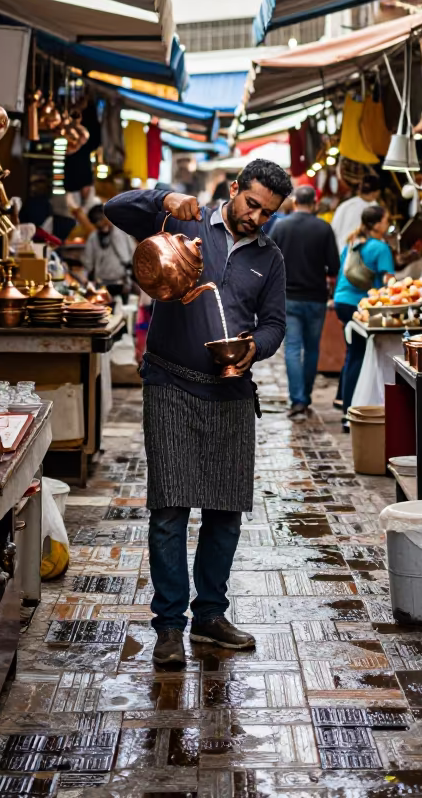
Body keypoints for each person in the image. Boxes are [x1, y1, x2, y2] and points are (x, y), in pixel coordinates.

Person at [104, 158, 292, 668]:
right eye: (251, 204)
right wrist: (163, 198)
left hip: (230, 391)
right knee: (169, 511)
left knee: (225, 512)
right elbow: (115, 208)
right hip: (168, 383)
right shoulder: (184, 222)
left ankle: (210, 615)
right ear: (234, 190)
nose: (256, 218)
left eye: (267, 213)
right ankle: (168, 627)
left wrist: (255, 348)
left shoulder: (269, 258)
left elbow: (275, 323)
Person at [269, 185, 340, 420]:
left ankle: (297, 400)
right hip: (316, 297)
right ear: (315, 203)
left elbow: (268, 258)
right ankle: (305, 397)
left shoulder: (281, 226)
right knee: (311, 349)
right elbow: (334, 266)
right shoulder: (324, 227)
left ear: (295, 201)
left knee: (291, 348)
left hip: (288, 297)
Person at [333, 204, 394, 430]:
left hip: (342, 301)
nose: (387, 224)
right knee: (357, 356)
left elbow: (342, 272)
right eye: (386, 220)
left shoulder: (352, 242)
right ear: (377, 224)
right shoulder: (380, 247)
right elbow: (389, 282)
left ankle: (347, 407)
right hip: (361, 305)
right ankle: (351, 413)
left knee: (353, 355)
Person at [82, 204, 135, 298]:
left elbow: (131, 257)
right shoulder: (93, 238)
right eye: (96, 221)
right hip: (101, 285)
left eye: (101, 219)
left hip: (122, 283)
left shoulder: (121, 233)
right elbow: (88, 263)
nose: (100, 223)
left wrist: (129, 281)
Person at [331, 174, 381, 250]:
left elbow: (333, 229)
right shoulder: (376, 209)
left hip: (340, 252)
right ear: (377, 192)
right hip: (361, 252)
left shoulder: (345, 206)